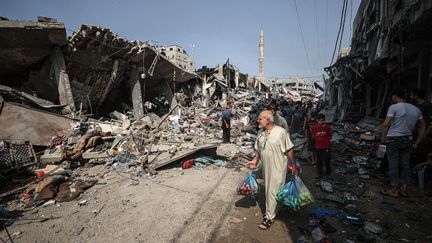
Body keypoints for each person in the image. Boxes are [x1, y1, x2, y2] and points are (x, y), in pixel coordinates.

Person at [247, 110, 296, 230]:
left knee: (272, 191)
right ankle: (277, 208)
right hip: (265, 167)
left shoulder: (281, 132)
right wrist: (255, 160)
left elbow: (289, 150)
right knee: (271, 190)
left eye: (260, 119)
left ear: (268, 120)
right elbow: (259, 150)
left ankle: (269, 217)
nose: (258, 121)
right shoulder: (260, 133)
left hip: (278, 167)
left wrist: (293, 165)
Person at [381, 89, 426, 198]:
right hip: (407, 140)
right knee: (405, 165)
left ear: (395, 96)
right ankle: (403, 189)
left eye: (393, 97)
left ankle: (393, 189)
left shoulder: (394, 107)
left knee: (394, 164)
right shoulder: (416, 109)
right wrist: (417, 142)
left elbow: (386, 124)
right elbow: (423, 126)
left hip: (394, 139)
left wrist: (383, 139)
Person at [311, 113, 332, 178]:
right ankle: (320, 174)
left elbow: (330, 135)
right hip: (318, 146)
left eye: (322, 120)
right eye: (319, 120)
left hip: (326, 146)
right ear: (317, 120)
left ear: (324, 120)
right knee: (319, 161)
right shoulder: (314, 127)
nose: (321, 121)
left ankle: (328, 174)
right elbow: (313, 136)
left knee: (327, 160)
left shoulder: (328, 127)